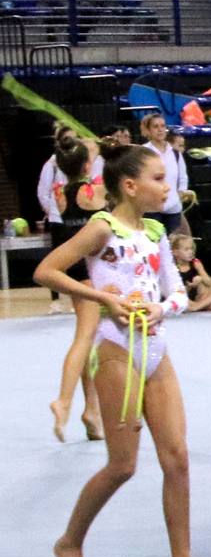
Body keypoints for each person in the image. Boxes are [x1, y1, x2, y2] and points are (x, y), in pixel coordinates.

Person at [34, 143, 211, 557]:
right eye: (158, 178)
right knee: (122, 465)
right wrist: (103, 299)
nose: (168, 186)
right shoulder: (102, 229)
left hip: (156, 349)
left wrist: (165, 309)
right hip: (117, 351)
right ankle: (69, 541)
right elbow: (47, 270)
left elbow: (178, 293)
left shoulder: (157, 232)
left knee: (177, 459)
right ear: (129, 185)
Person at [42, 133, 105, 441]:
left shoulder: (61, 193)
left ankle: (91, 413)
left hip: (78, 271)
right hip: (92, 275)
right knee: (84, 340)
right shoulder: (92, 193)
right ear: (86, 164)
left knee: (88, 340)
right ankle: (64, 401)